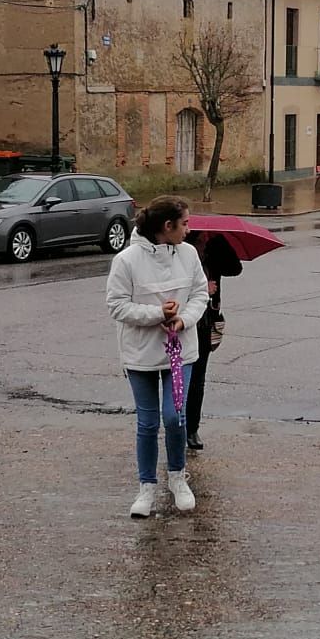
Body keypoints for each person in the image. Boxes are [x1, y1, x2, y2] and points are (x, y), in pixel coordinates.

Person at [106, 195, 209, 518]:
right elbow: (117, 305)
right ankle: (146, 487)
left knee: (174, 416)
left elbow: (199, 294)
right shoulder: (127, 260)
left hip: (181, 351)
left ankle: (178, 477)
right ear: (168, 226)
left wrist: (183, 319)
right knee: (148, 422)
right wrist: (156, 314)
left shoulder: (189, 254)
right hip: (140, 354)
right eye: (186, 224)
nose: (189, 230)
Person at [186, 233, 242, 452]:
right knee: (179, 376)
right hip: (182, 323)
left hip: (206, 323)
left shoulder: (213, 248)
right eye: (201, 238)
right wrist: (201, 288)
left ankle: (192, 428)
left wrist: (219, 242)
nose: (205, 240)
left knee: (198, 378)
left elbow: (234, 269)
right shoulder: (180, 250)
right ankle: (176, 424)